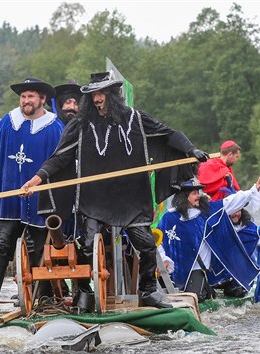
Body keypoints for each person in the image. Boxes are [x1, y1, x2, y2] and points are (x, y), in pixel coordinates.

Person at [22, 72, 210, 309]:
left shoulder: (136, 119)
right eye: (93, 96)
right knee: (86, 245)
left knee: (147, 245)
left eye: (102, 94)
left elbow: (169, 134)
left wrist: (191, 150)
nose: (97, 99)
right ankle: (84, 293)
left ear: (113, 96)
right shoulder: (80, 126)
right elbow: (59, 158)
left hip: (130, 198)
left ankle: (148, 291)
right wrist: (35, 180)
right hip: (94, 198)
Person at [0, 77, 63, 315]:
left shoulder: (55, 127)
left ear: (42, 99)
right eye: (23, 97)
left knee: (38, 249)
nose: (26, 101)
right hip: (10, 198)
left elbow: (62, 162)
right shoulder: (6, 124)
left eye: (31, 96)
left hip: (40, 200)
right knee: (2, 246)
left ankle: (37, 299)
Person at [156, 175, 260, 302]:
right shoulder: (169, 217)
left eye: (199, 192)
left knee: (196, 298)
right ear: (183, 197)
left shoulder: (207, 212)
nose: (199, 196)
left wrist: (252, 192)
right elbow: (158, 242)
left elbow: (229, 202)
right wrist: (163, 259)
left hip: (196, 270)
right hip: (174, 270)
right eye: (194, 193)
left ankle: (206, 290)